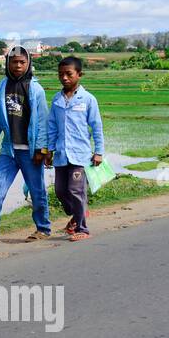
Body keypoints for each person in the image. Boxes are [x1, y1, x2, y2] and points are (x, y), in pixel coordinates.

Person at [0, 45, 52, 242]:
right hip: (9, 149)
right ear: (8, 63)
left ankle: (43, 228)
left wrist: (42, 150)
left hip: (30, 151)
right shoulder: (2, 86)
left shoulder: (35, 89)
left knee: (37, 190)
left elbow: (42, 122)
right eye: (14, 62)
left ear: (28, 64)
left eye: (22, 62)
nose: (18, 66)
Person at [46, 56, 104, 242]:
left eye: (69, 74)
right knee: (60, 191)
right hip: (62, 155)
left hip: (80, 155)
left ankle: (82, 228)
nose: (64, 78)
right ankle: (77, 213)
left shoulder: (87, 99)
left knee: (75, 190)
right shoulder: (56, 99)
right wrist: (49, 150)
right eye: (61, 74)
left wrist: (99, 152)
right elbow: (52, 127)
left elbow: (96, 126)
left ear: (79, 74)